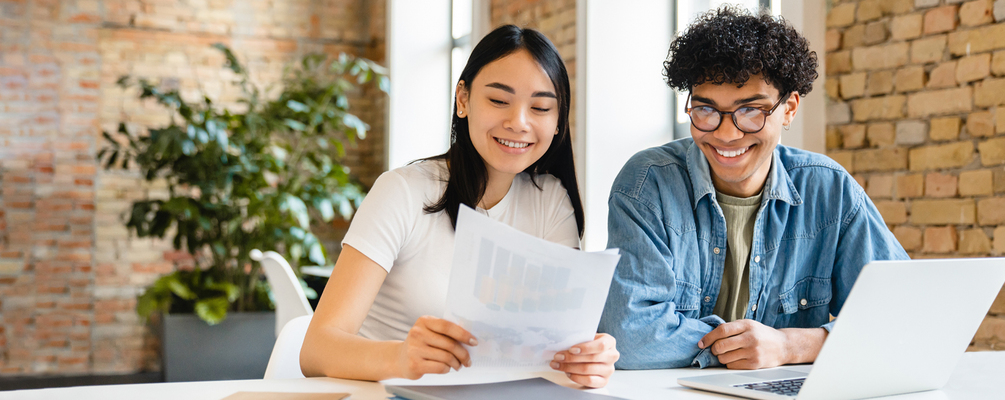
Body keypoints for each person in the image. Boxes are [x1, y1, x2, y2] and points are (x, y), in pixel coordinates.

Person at [300, 25, 619, 388]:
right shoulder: (403, 191)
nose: (519, 122)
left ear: (558, 120)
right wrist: (401, 357)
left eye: (541, 107)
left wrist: (588, 357)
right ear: (463, 100)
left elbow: (557, 345)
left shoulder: (550, 200)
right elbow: (316, 350)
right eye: (499, 100)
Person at [598, 6, 909, 370]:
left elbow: (903, 317)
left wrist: (790, 346)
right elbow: (631, 336)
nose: (726, 134)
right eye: (705, 110)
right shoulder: (648, 184)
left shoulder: (831, 191)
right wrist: (742, 347)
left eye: (751, 111)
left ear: (789, 108)